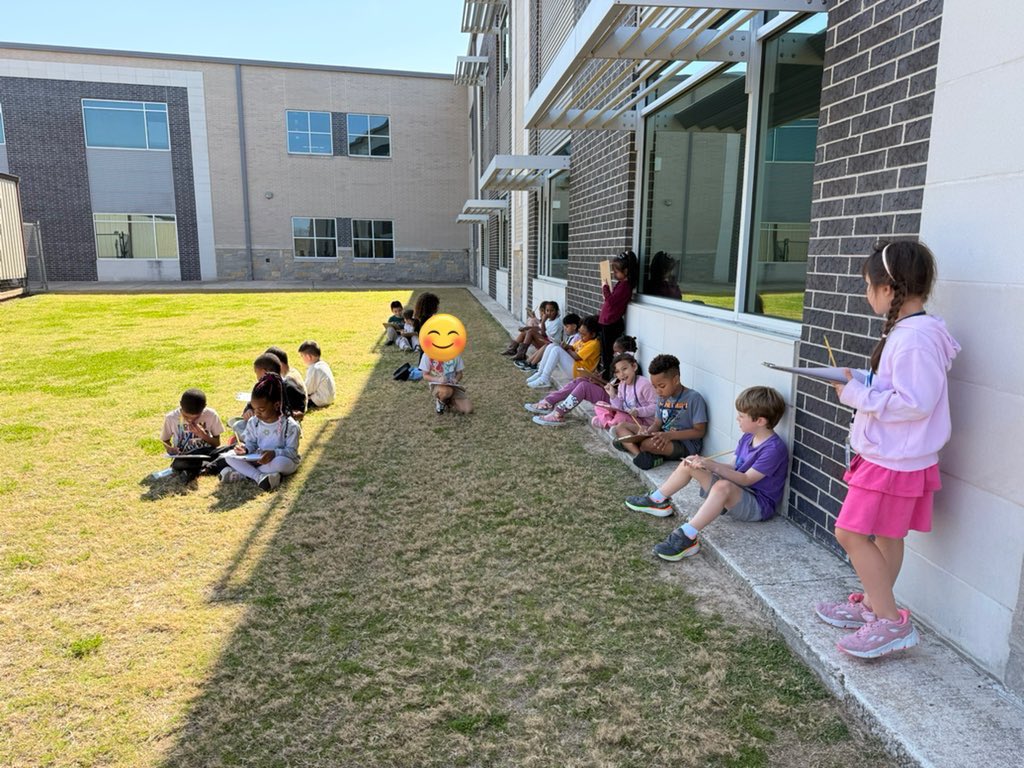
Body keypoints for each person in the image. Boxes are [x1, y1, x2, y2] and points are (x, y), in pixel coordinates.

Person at [814, 241, 959, 659]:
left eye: (867, 286)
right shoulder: (915, 332)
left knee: (849, 532)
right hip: (900, 458)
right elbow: (904, 389)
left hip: (892, 460)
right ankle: (877, 607)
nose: (866, 295)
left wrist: (857, 394)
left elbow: (916, 402)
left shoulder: (913, 338)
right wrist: (860, 380)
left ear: (888, 287)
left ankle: (891, 622)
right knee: (888, 535)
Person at [629, 386, 788, 561]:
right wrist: (704, 463)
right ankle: (656, 500)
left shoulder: (773, 449)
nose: (738, 419)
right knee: (690, 462)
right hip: (737, 492)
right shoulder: (748, 437)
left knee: (723, 486)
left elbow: (747, 479)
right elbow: (733, 468)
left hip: (757, 505)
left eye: (742, 416)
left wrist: (712, 466)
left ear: (761, 421)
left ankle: (687, 536)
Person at [614, 354, 707, 470]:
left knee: (646, 444)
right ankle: (642, 455)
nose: (657, 391)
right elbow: (657, 424)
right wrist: (646, 431)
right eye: (654, 387)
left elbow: (699, 432)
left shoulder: (694, 398)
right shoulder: (661, 397)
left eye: (662, 386)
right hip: (662, 435)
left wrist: (670, 435)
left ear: (676, 380)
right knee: (620, 427)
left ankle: (633, 447)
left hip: (684, 444)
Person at [527, 351, 655, 427]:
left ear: (634, 366)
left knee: (584, 387)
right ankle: (549, 402)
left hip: (640, 419)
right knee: (583, 384)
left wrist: (638, 411)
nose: (621, 374)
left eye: (625, 369)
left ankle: (558, 413)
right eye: (618, 372)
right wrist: (612, 395)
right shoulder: (622, 383)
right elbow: (620, 404)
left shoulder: (643, 383)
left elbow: (655, 407)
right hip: (625, 411)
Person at [221, 373, 302, 491]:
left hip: (280, 460)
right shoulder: (254, 422)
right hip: (258, 459)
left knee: (280, 463)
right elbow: (251, 443)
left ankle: (244, 474)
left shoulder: (290, 425)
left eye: (261, 409)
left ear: (276, 405)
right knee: (229, 457)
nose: (257, 413)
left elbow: (291, 452)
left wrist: (274, 453)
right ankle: (259, 476)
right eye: (254, 409)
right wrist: (245, 449)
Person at [160, 388, 223, 480]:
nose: (190, 420)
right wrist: (170, 449)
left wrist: (202, 435)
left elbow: (217, 443)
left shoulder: (211, 415)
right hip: (186, 456)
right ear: (180, 404)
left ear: (204, 407)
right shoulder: (171, 418)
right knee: (178, 464)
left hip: (207, 452)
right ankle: (206, 468)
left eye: (197, 416)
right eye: (186, 416)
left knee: (228, 452)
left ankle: (195, 470)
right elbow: (165, 440)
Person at [526, 315, 601, 389]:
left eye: (583, 335)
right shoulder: (584, 340)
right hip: (574, 368)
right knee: (552, 346)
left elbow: (576, 357)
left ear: (593, 334)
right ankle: (540, 373)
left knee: (557, 350)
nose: (581, 337)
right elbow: (573, 347)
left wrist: (566, 348)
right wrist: (566, 346)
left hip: (579, 372)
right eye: (580, 333)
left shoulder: (594, 344)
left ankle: (545, 379)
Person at [598, 250, 638, 377]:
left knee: (609, 352)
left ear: (626, 271)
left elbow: (610, 300)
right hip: (607, 320)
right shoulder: (621, 284)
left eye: (616, 272)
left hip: (611, 322)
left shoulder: (625, 286)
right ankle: (606, 373)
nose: (614, 274)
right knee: (605, 350)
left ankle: (609, 375)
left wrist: (605, 287)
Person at [245, 352, 306, 422]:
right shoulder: (262, 388)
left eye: (256, 372)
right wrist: (248, 411)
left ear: (264, 373)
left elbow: (301, 413)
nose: (256, 377)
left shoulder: (290, 388)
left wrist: (287, 415)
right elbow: (251, 404)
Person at [515, 312, 580, 373]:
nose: (565, 328)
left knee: (547, 345)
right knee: (547, 344)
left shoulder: (577, 337)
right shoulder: (571, 336)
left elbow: (571, 350)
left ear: (574, 327)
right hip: (563, 356)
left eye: (567, 326)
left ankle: (532, 364)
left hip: (569, 362)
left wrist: (562, 346)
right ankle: (529, 362)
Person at [419, 348, 472, 415]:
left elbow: (460, 374)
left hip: (453, 386)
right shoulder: (427, 354)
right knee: (446, 391)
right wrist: (437, 379)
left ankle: (449, 401)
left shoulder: (455, 353)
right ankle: (440, 402)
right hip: (437, 385)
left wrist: (456, 379)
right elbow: (425, 375)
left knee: (468, 410)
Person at [298, 339, 336, 408]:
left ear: (309, 357)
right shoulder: (323, 364)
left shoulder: (314, 369)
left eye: (302, 356)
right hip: (329, 397)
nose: (302, 358)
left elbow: (307, 390)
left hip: (320, 400)